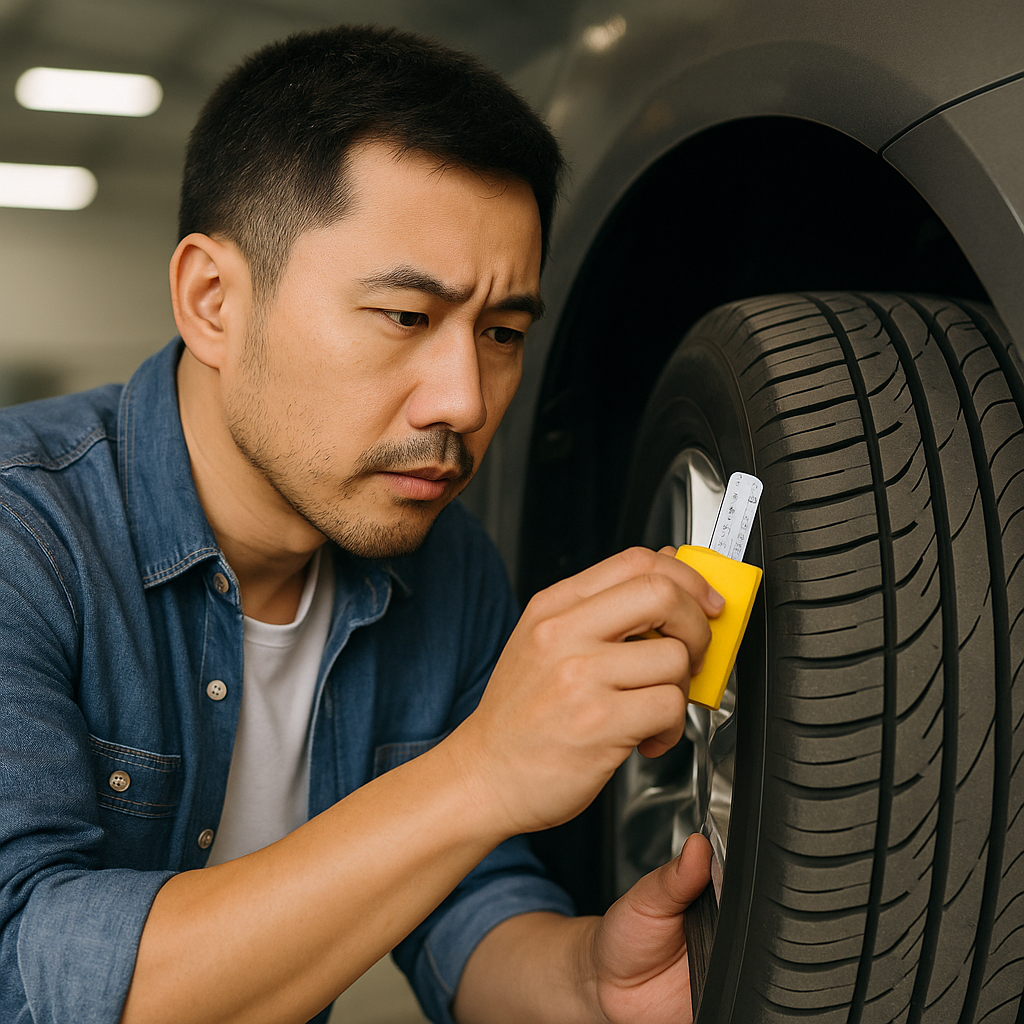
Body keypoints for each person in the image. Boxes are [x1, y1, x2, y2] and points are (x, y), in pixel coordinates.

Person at [0, 24, 721, 1024]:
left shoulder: (444, 561)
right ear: (212, 300)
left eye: (504, 333)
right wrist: (483, 771)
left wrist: (589, 982)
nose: (464, 401)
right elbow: (29, 971)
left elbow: (464, 899)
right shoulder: (21, 534)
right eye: (404, 318)